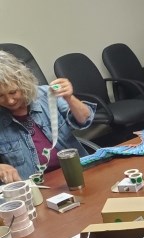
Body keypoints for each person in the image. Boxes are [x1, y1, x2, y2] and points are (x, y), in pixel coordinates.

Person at [0, 50, 96, 183]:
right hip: (37, 189)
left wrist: (69, 98)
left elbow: (84, 120)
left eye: (13, 92)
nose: (10, 101)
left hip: (78, 173)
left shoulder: (46, 95)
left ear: (22, 83)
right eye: (0, 96)